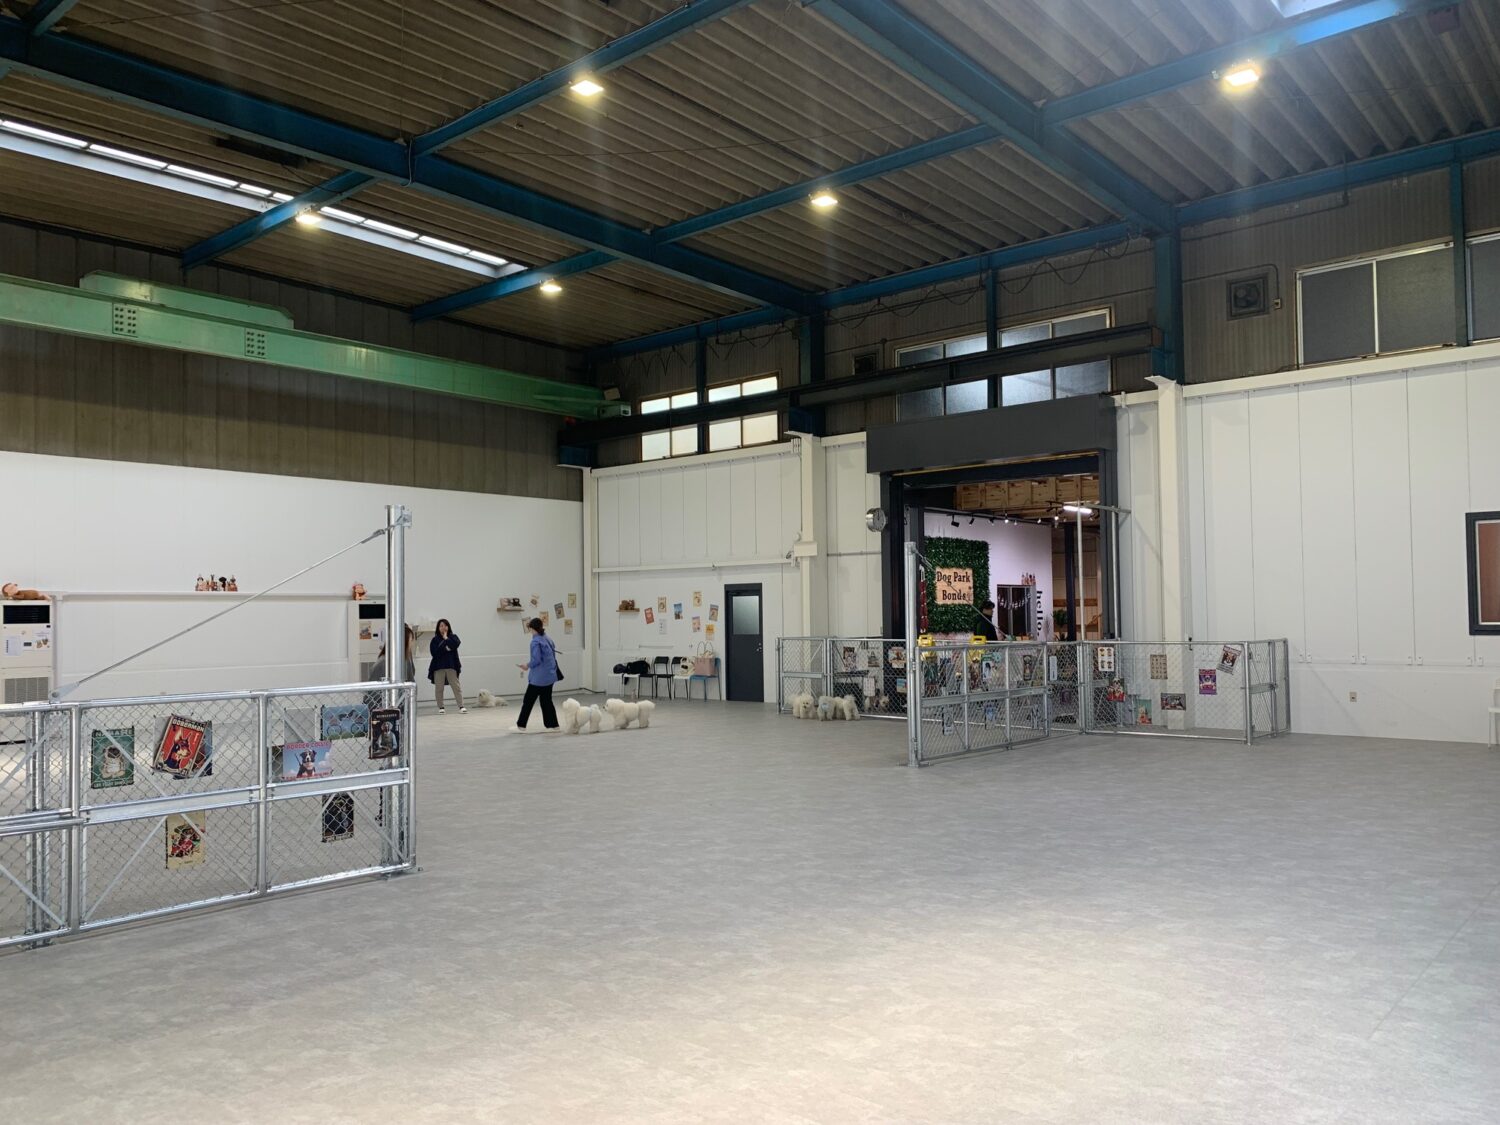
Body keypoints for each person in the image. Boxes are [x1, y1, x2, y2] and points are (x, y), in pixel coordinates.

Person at [513, 617, 560, 732]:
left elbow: (536, 660)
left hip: (538, 678)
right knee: (547, 701)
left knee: (528, 701)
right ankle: (553, 726)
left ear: (532, 628)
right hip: (550, 675)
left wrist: (526, 665)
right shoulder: (547, 638)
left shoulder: (535, 641)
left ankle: (521, 726)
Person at [428, 618, 466, 714]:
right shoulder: (435, 640)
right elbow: (435, 652)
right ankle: (441, 707)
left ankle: (461, 706)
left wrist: (446, 639)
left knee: (456, 687)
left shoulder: (453, 637)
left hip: (451, 665)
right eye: (441, 626)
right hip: (438, 667)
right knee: (439, 688)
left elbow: (455, 644)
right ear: (438, 628)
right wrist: (446, 648)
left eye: (445, 625)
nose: (443, 627)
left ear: (448, 627)